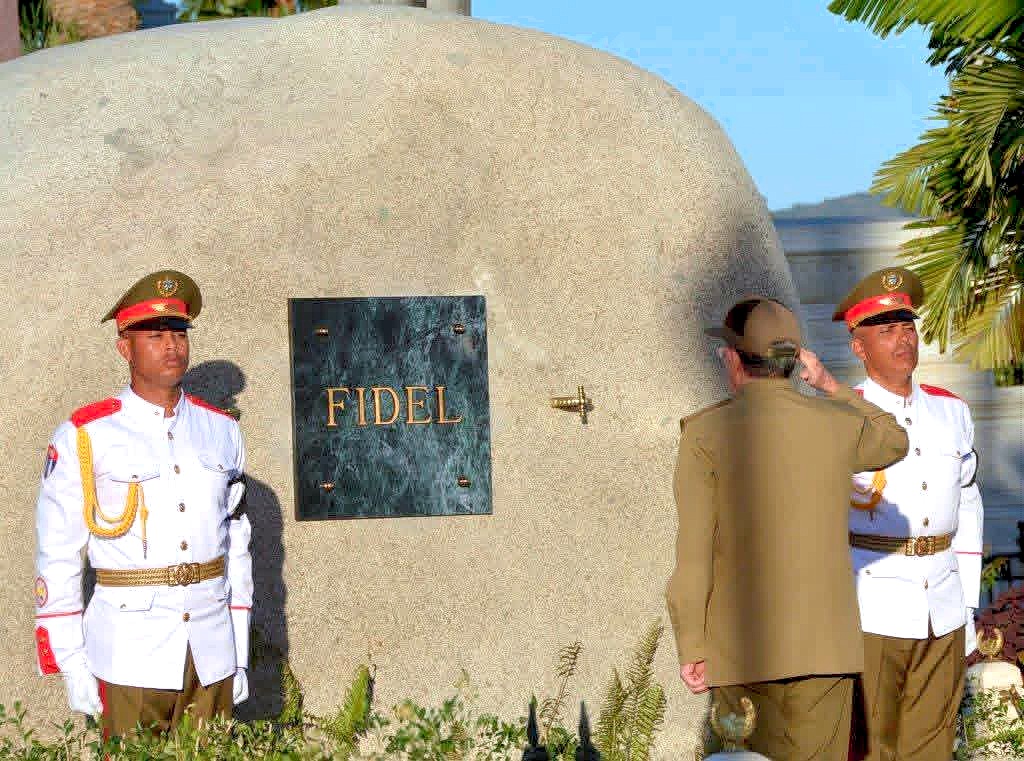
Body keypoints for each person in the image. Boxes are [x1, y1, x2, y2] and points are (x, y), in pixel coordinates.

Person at [666, 296, 909, 760]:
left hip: (741, 649)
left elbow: (694, 556)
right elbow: (893, 438)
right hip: (824, 650)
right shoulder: (833, 424)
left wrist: (692, 644)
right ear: (794, 361)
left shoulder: (705, 434)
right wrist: (830, 386)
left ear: (733, 358)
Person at [33, 270, 253, 737]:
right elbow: (59, 554)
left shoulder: (222, 431)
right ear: (125, 348)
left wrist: (239, 651)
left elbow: (236, 546)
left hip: (210, 651)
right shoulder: (86, 435)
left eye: (178, 334)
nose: (172, 346)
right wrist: (71, 661)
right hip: (129, 652)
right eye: (154, 336)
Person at [834, 267, 984, 761]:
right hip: (872, 603)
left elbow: (968, 504)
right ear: (859, 347)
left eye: (907, 327)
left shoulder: (952, 411)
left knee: (933, 746)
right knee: (873, 747)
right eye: (886, 331)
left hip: (941, 604)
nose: (904, 340)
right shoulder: (840, 416)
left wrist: (966, 603)